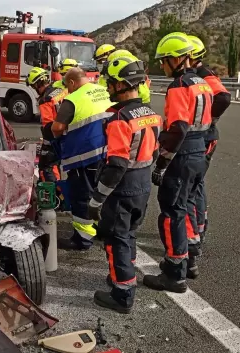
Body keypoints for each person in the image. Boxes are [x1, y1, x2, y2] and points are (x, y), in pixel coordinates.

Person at [89, 53, 161, 313]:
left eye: (109, 83)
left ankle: (122, 294)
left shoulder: (119, 119)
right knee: (129, 234)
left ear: (120, 85)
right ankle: (125, 277)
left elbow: (116, 164)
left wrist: (97, 198)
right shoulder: (151, 113)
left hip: (122, 187)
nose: (107, 88)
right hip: (142, 184)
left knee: (115, 238)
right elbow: (154, 152)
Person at [142, 32, 213, 293]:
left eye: (164, 61)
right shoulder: (202, 83)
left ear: (176, 59)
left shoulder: (179, 86)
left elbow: (179, 128)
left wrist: (162, 162)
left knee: (172, 213)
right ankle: (190, 262)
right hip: (199, 153)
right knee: (189, 205)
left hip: (182, 156)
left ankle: (174, 274)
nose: (162, 66)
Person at [51, 67, 114, 250]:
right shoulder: (103, 90)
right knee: (103, 192)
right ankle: (103, 229)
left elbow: (57, 128)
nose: (67, 90)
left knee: (81, 195)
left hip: (85, 155)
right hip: (110, 150)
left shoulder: (73, 99)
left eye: (67, 86)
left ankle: (83, 238)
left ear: (72, 82)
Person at [188, 35, 232, 243]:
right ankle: (199, 226)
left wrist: (209, 119)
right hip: (198, 136)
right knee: (196, 182)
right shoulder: (193, 74)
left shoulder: (204, 75)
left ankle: (197, 230)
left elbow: (223, 97)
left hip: (204, 137)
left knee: (193, 184)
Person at [26, 67, 68, 183]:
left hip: (55, 138)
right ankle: (60, 190)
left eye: (34, 86)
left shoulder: (45, 100)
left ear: (38, 84)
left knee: (46, 167)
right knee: (57, 165)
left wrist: (46, 146)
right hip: (67, 134)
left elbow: (48, 125)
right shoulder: (60, 90)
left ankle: (54, 194)